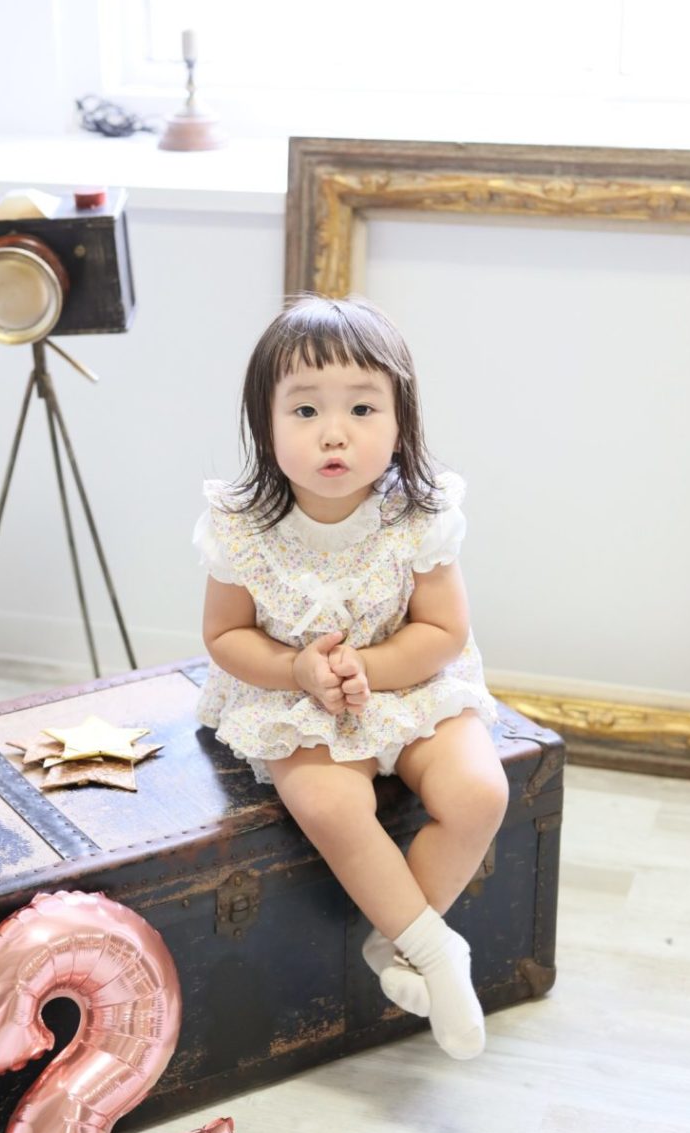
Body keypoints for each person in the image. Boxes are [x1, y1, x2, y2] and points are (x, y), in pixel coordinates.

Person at [193, 295, 508, 1060]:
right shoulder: (243, 526)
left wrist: (368, 667)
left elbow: (442, 631)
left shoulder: (417, 515)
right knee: (328, 804)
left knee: (479, 793)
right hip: (296, 700)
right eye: (304, 410)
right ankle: (435, 950)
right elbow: (224, 635)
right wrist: (297, 669)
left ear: (400, 422)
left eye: (362, 408)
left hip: (411, 685)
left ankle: (395, 943)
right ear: (265, 424)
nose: (334, 432)